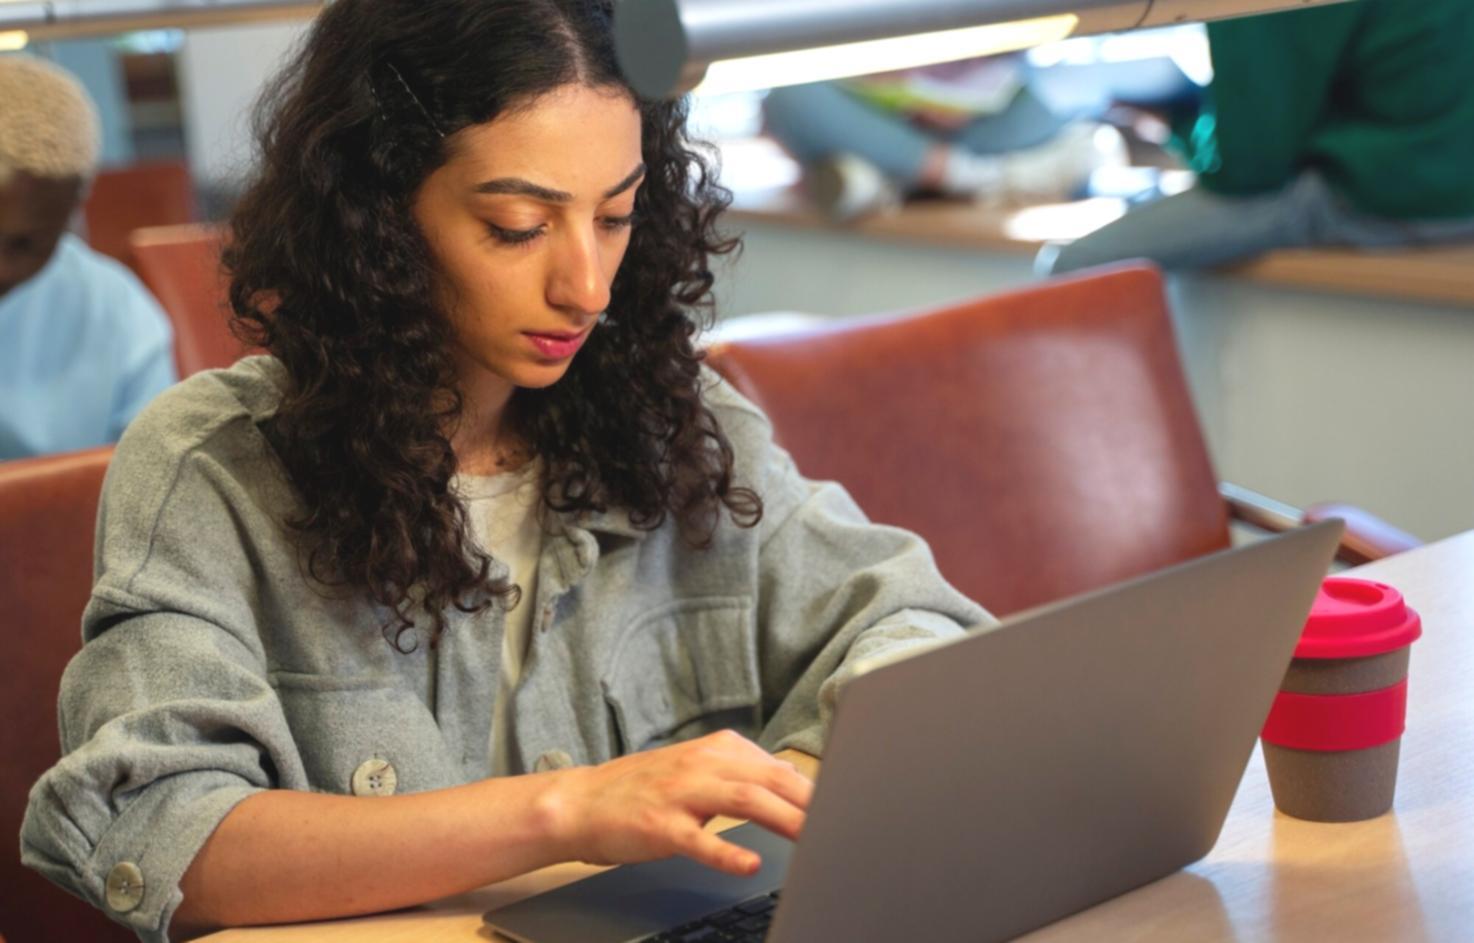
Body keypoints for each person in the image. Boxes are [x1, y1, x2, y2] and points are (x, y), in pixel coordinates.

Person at [19, 2, 991, 940]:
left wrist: (814, 775)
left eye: (615, 216)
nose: (587, 285)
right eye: (519, 226)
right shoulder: (213, 473)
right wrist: (565, 811)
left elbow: (914, 626)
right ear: (378, 218)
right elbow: (167, 840)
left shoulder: (673, 423)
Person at [1040, 0, 1474, 274]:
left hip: (1396, 192)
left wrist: (1174, 122)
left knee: (1072, 266)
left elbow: (1248, 168)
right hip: (1447, 179)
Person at [0, 55, 177, 460]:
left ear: (71, 212)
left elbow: (155, 480)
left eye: (26, 245)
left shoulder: (120, 314)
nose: (2, 268)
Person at [762, 58, 1126, 221]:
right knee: (788, 96)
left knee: (1052, 96)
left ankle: (889, 177)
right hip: (887, 108)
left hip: (987, 102)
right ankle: (973, 176)